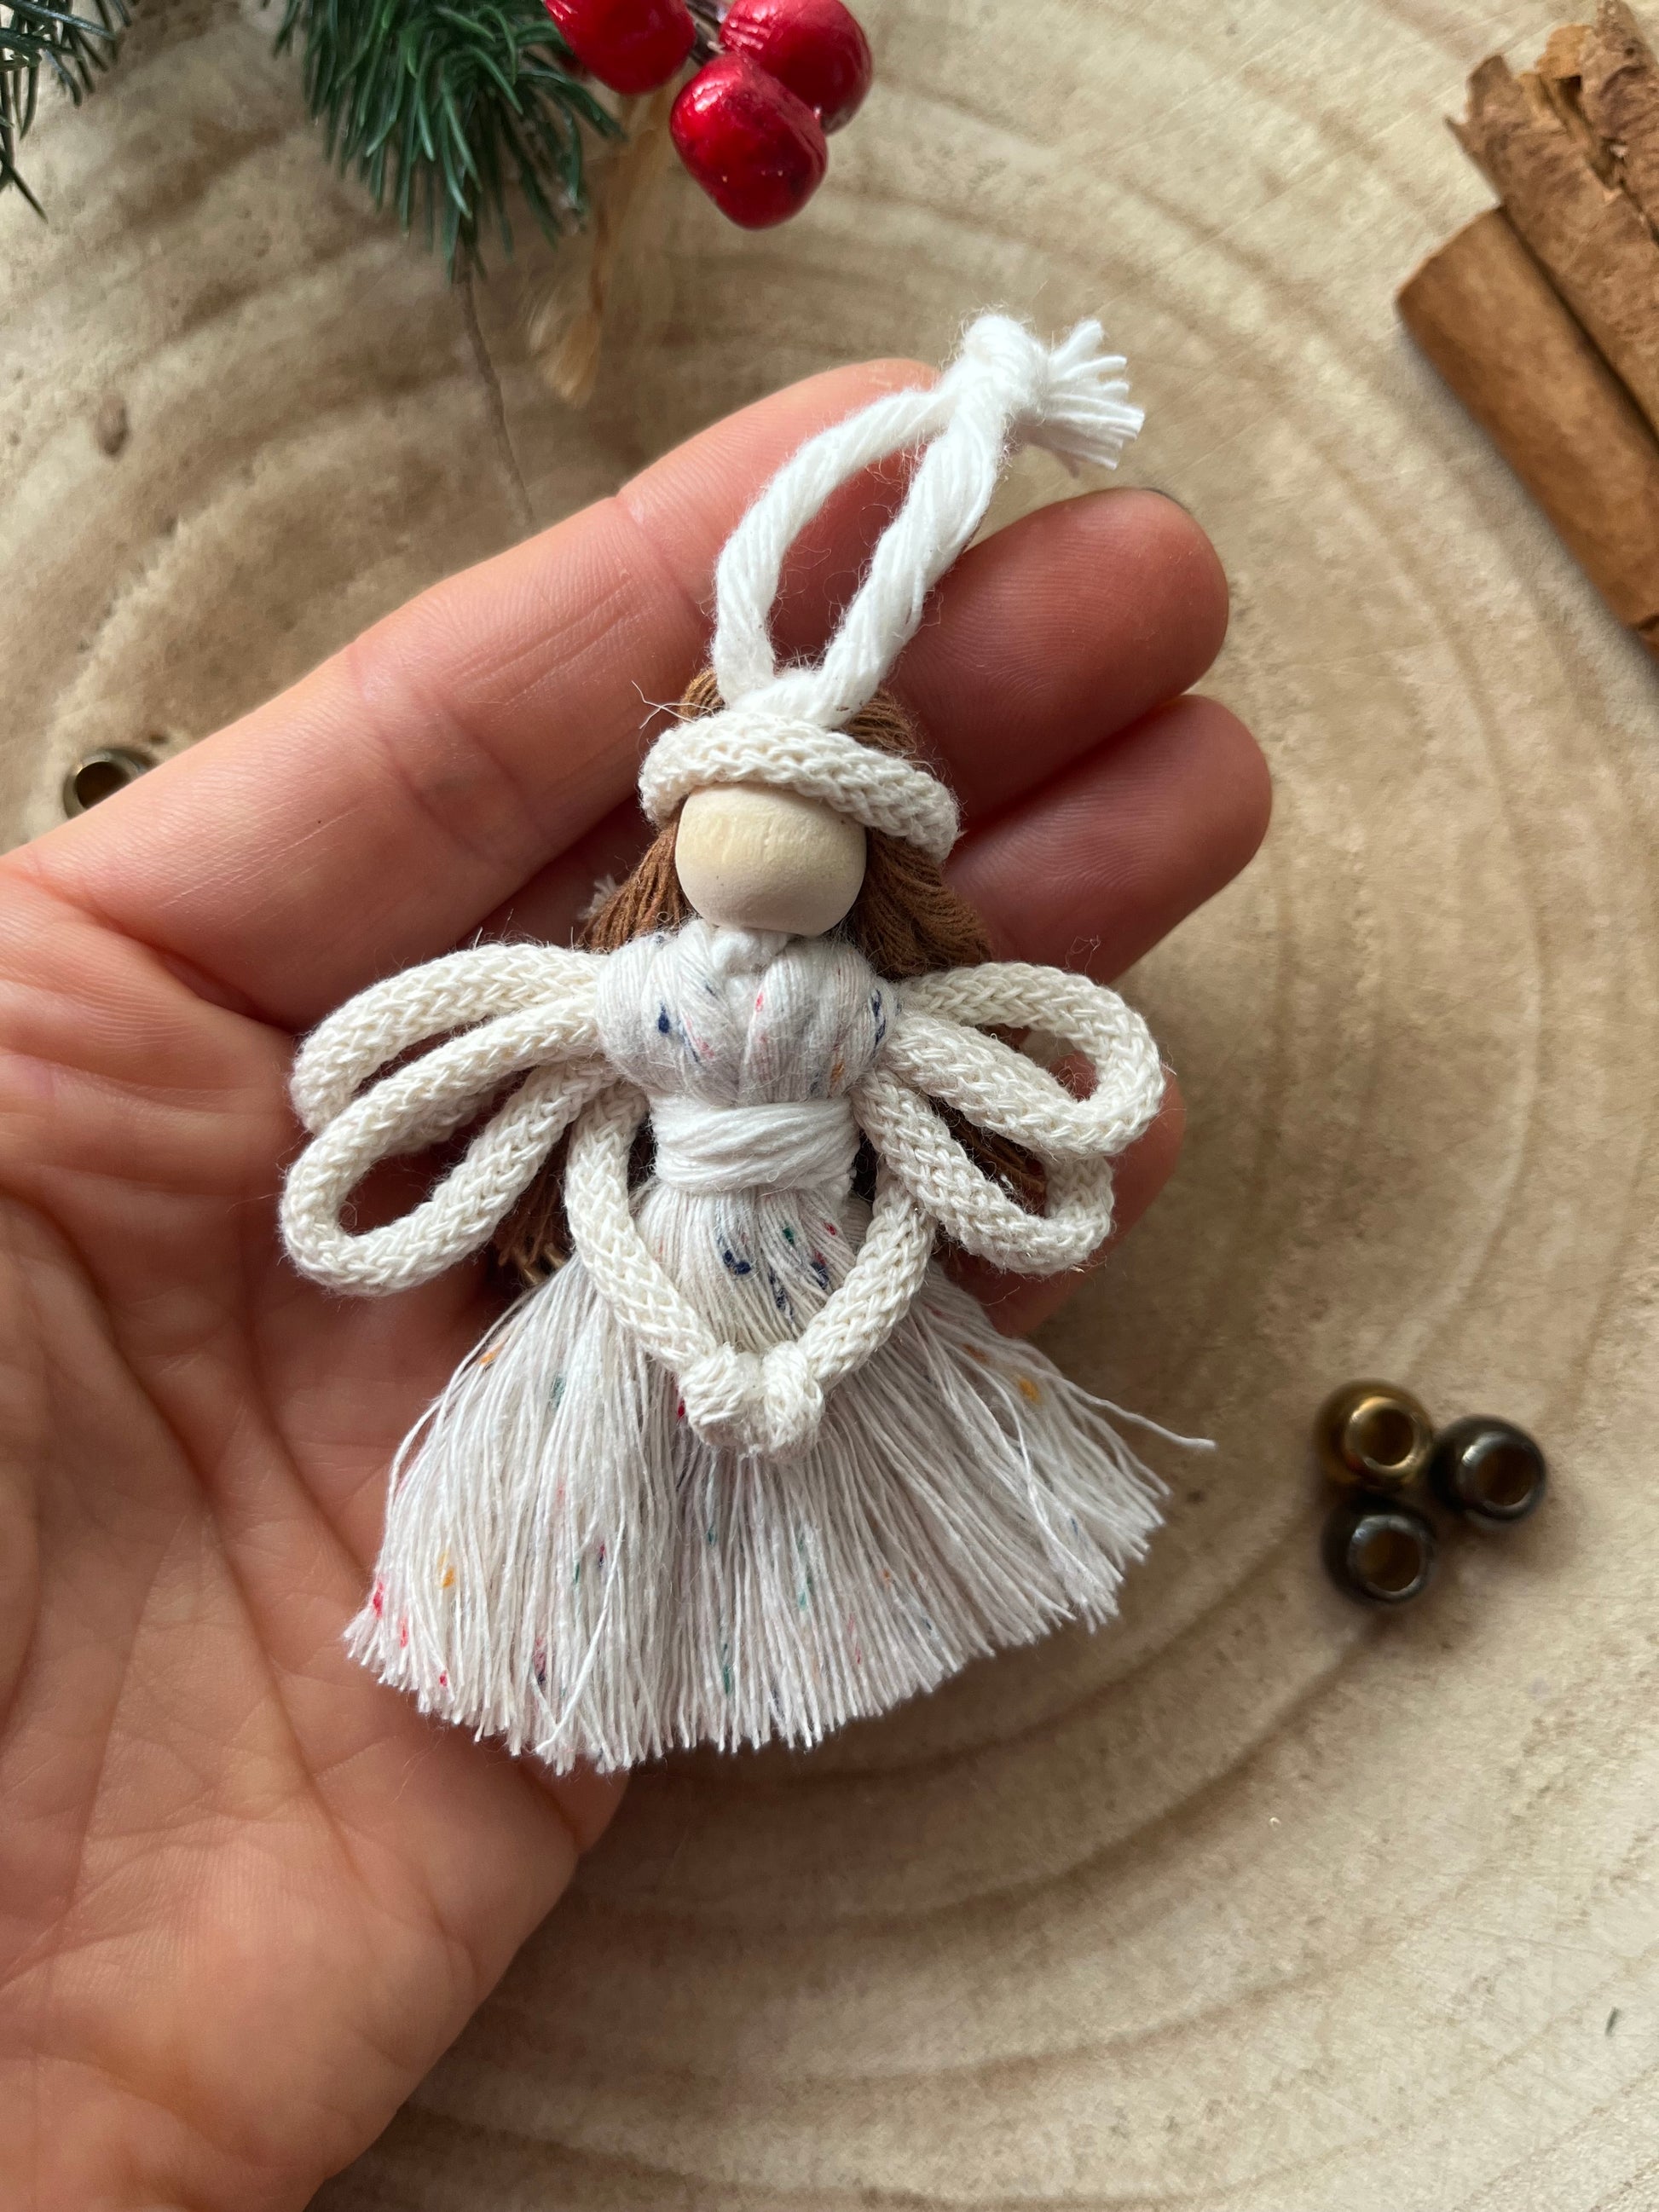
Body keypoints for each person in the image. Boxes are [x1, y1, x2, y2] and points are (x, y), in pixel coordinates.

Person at [0, 352, 1268, 2209]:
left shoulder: (859, 1025)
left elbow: (922, 1210)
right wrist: (738, 1349)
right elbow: (592, 1184)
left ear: (860, 864)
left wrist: (820, 1340)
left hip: (786, 1304)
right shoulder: (631, 1009)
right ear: (681, 846)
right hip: (659, 1313)